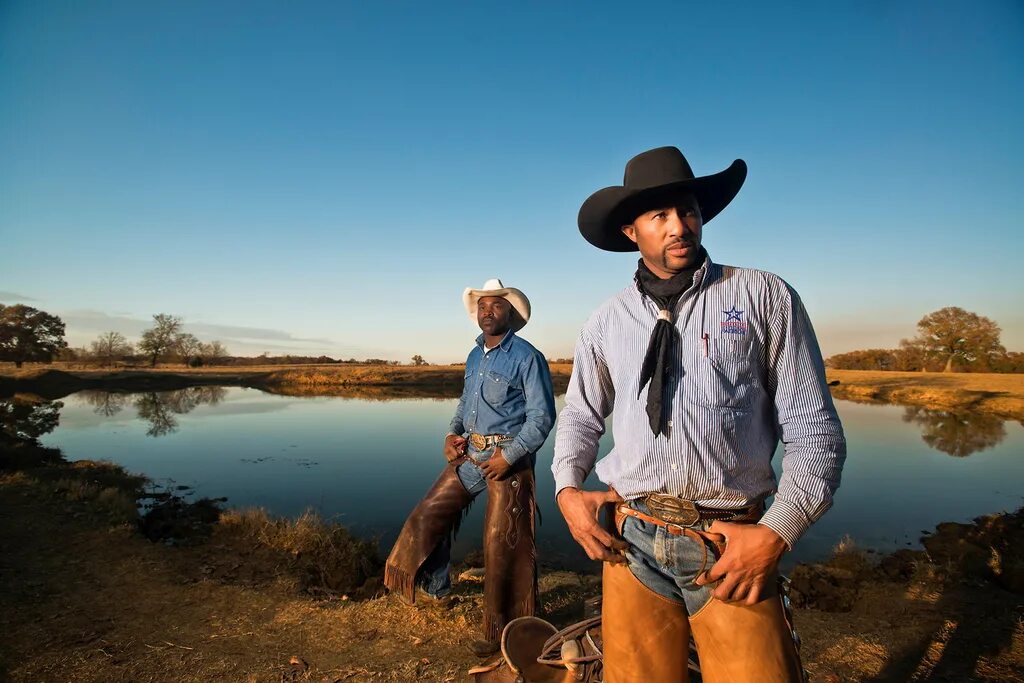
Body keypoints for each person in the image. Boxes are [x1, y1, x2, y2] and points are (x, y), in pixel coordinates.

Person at [552, 146, 847, 682]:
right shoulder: (605, 321)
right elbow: (580, 416)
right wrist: (568, 491)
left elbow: (814, 429)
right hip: (632, 537)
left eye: (687, 211)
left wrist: (778, 531)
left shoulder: (763, 296)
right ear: (630, 232)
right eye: (658, 216)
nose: (679, 227)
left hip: (727, 541)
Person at [384, 278, 556, 657]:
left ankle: (504, 628)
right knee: (431, 512)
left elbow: (542, 418)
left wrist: (509, 457)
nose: (487, 312)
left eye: (495, 306)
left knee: (502, 542)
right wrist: (451, 433)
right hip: (471, 455)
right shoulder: (475, 355)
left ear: (509, 312)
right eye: (481, 306)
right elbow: (465, 404)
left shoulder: (528, 357)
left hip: (508, 461)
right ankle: (435, 587)